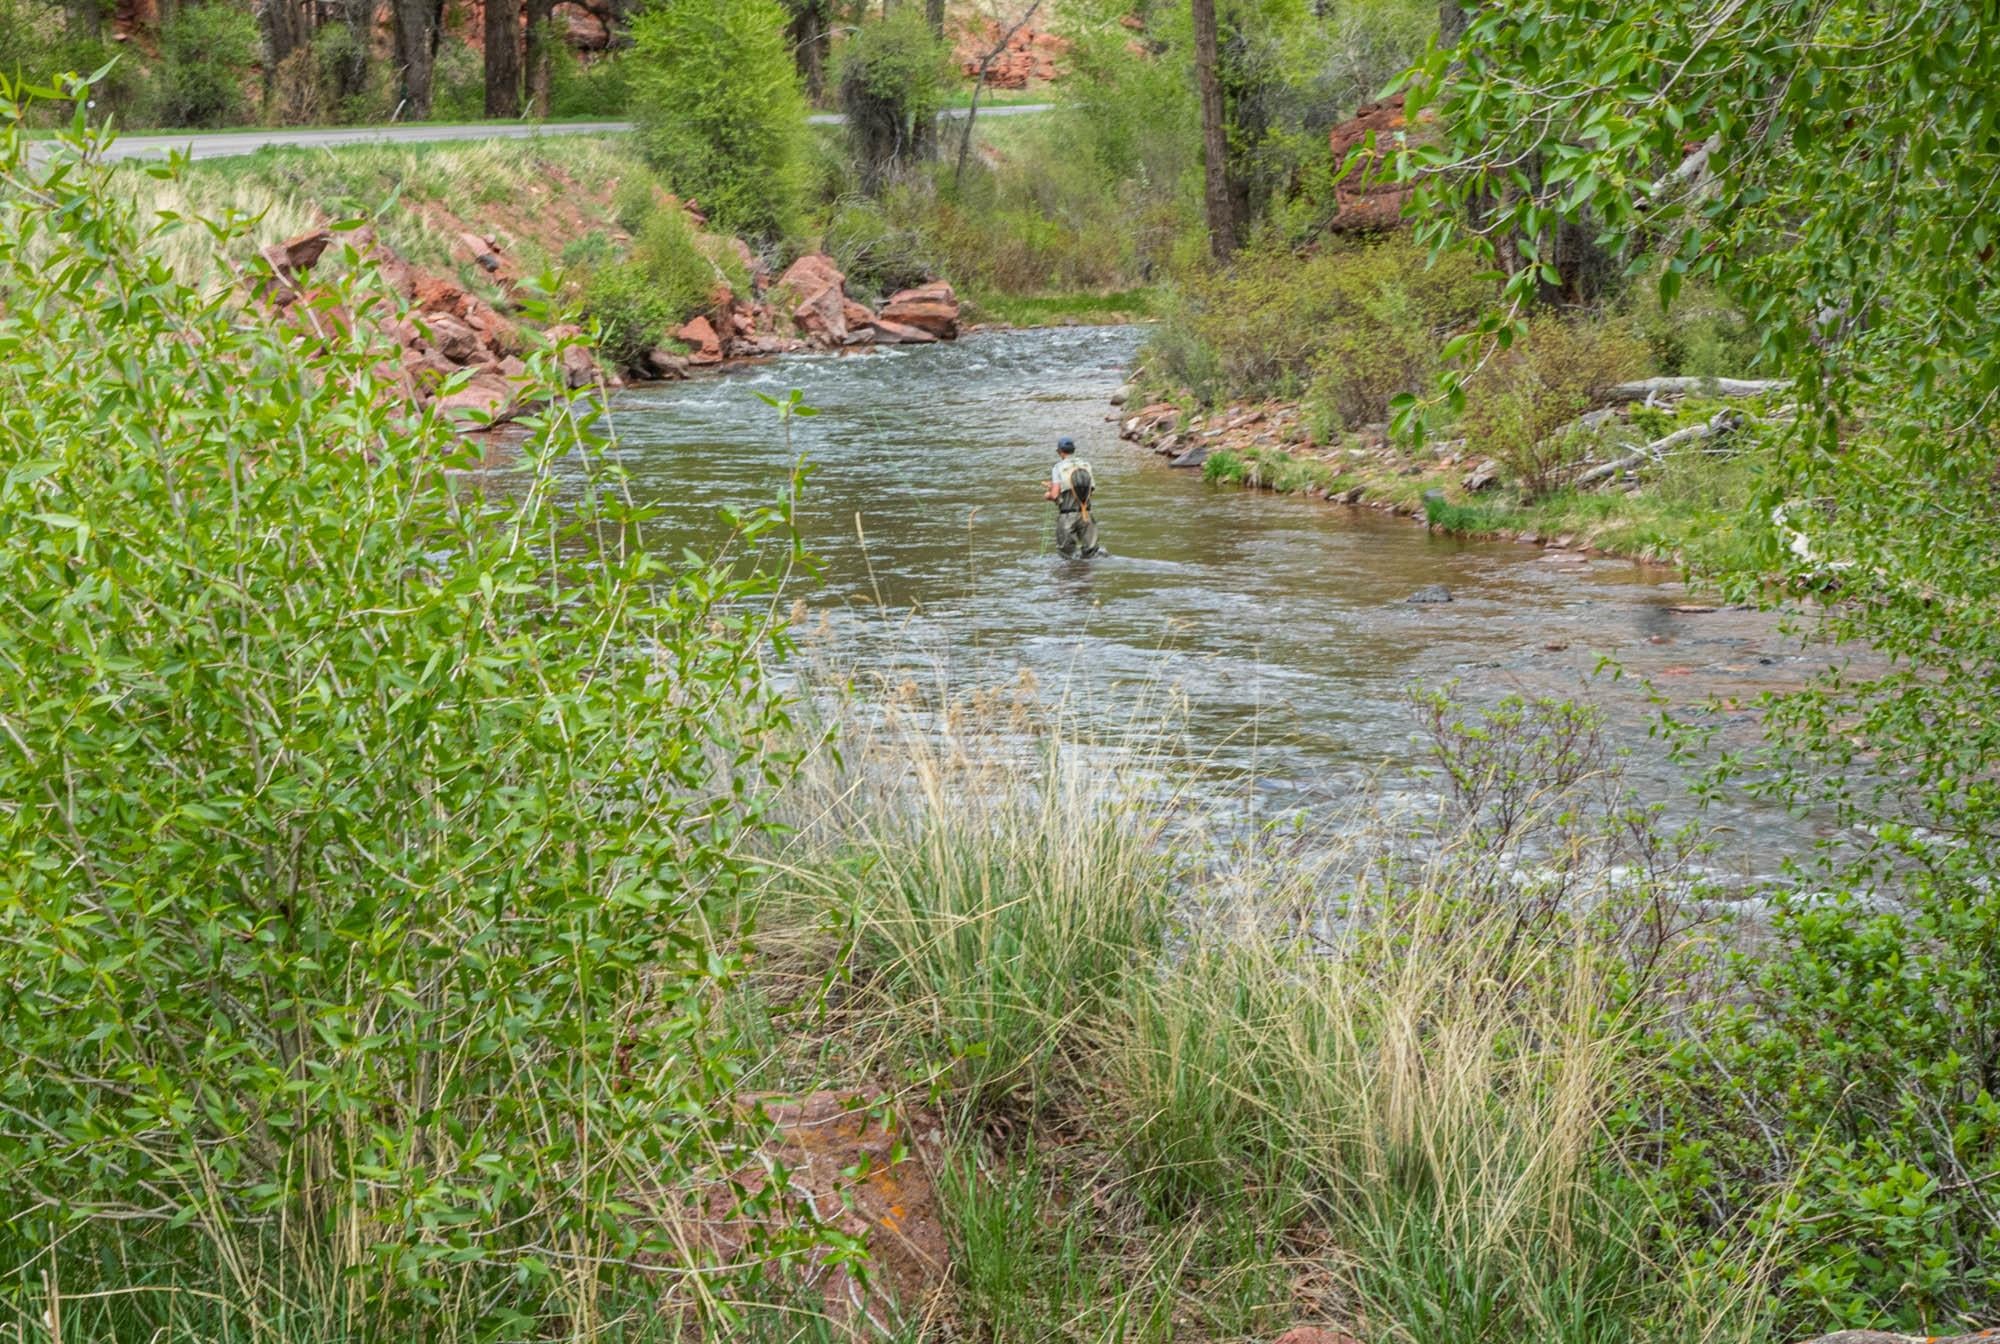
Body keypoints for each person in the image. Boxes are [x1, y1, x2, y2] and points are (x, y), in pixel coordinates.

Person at [1043, 436, 1101, 559]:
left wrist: (1047, 494)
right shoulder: (1086, 465)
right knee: (1092, 555)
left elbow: (1054, 495)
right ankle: (1087, 577)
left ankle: (1072, 576)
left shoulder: (1058, 467)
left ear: (1059, 452)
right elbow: (1089, 489)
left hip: (1067, 517)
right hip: (1087, 515)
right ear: (1073, 450)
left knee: (1066, 556)